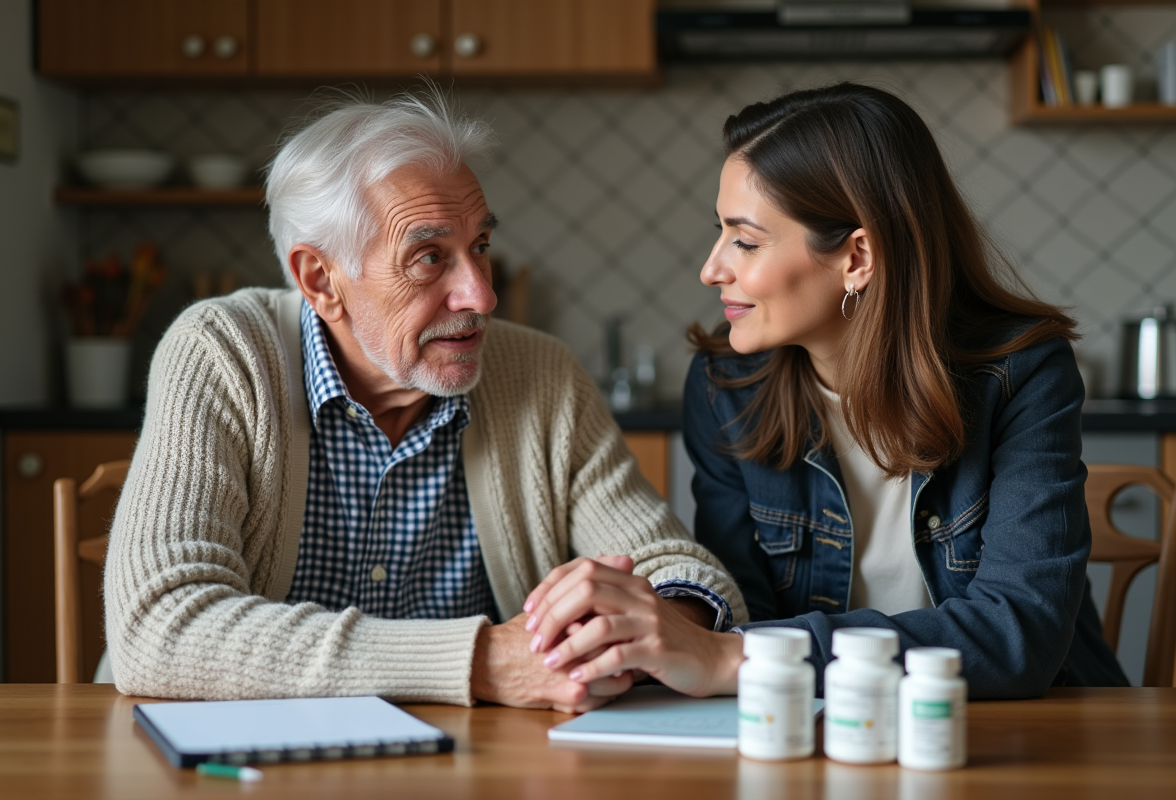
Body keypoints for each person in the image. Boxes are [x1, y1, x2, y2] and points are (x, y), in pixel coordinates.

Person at [103, 88, 746, 712]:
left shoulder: (541, 374)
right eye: (430, 257)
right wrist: (484, 661)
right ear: (320, 279)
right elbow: (159, 626)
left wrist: (662, 625)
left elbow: (678, 568)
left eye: (481, 248)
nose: (481, 296)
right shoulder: (223, 354)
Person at [523, 83, 1128, 699]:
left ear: (858, 257)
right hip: (815, 729)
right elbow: (742, 607)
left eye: (746, 241)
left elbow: (1019, 633)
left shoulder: (1023, 371)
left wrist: (735, 658)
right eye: (720, 232)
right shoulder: (725, 387)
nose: (712, 269)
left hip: (1031, 731)